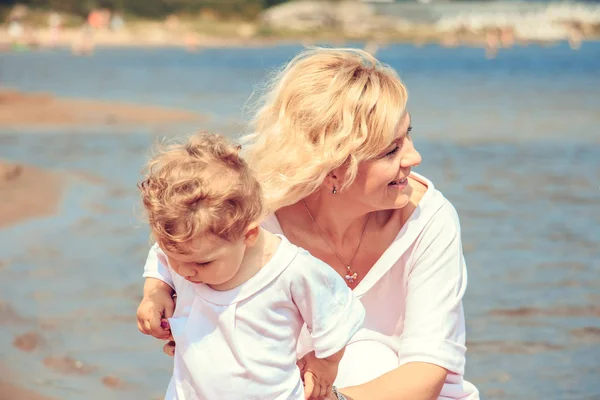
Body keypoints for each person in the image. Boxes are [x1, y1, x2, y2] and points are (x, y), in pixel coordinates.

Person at [138, 47, 480, 400]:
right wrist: (174, 310)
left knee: (363, 357)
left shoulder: (430, 219)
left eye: (408, 135)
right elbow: (176, 254)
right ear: (332, 165)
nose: (414, 157)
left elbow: (427, 373)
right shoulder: (247, 216)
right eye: (391, 150)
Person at [138, 132, 365, 399]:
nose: (185, 272)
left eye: (202, 262)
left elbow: (337, 315)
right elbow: (161, 256)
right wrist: (155, 291)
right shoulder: (188, 248)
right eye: (175, 259)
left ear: (249, 235)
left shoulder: (291, 270)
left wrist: (325, 363)